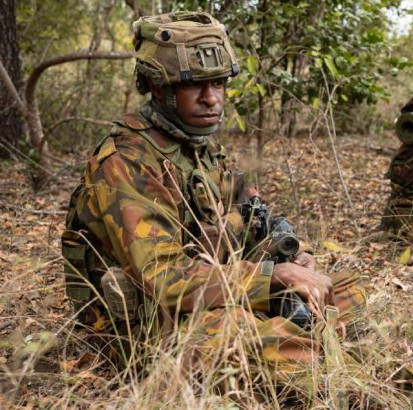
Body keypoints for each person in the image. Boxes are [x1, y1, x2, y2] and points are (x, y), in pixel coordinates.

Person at [61, 11, 366, 394]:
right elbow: (164, 278)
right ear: (159, 88)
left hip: (212, 296)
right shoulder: (126, 161)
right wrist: (276, 277)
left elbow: (255, 217)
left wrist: (296, 256)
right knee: (237, 333)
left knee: (345, 289)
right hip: (145, 327)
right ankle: (342, 377)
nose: (212, 99)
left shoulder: (200, 150)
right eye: (196, 86)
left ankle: (308, 348)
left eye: (219, 84)